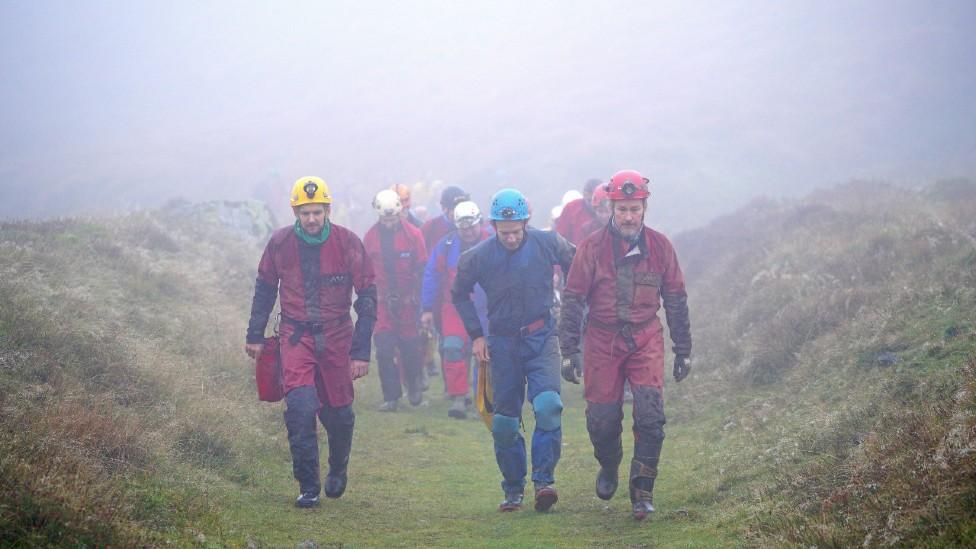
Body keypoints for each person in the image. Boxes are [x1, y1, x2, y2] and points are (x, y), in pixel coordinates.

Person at [557, 169, 692, 521]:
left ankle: (642, 490)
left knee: (650, 416)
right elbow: (572, 299)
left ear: (644, 207)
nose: (629, 217)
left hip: (646, 337)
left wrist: (684, 349)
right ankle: (609, 463)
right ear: (611, 209)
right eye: (622, 210)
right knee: (601, 420)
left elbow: (675, 298)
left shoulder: (661, 247)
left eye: (634, 209)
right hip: (601, 340)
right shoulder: (591, 248)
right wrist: (569, 351)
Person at [245, 176, 377, 508]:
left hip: (337, 336)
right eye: (305, 213)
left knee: (340, 416)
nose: (312, 219)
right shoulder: (279, 243)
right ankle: (308, 486)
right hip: (295, 336)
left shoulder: (349, 243)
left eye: (317, 212)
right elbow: (264, 289)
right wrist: (254, 335)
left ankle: (337, 467)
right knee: (301, 409)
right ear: (296, 213)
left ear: (328, 210)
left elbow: (368, 297)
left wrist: (361, 351)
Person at [452, 188, 575, 513]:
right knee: (505, 423)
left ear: (526, 223)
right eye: (504, 232)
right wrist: (476, 336)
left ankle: (544, 481)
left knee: (548, 406)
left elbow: (578, 264)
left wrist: (571, 305)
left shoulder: (548, 243)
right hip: (501, 345)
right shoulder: (478, 256)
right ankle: (513, 487)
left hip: (542, 337)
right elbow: (459, 293)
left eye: (516, 231)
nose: (510, 238)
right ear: (493, 226)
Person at [421, 201, 491, 419]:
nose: (469, 232)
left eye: (472, 227)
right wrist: (426, 308)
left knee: (486, 355)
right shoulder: (447, 245)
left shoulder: (493, 242)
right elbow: (432, 274)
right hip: (454, 307)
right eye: (464, 228)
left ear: (480, 222)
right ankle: (459, 397)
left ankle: (484, 399)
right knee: (452, 348)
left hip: (487, 308)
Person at [363, 189, 428, 411]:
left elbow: (422, 268)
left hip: (407, 301)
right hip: (381, 302)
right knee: (384, 348)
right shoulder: (370, 238)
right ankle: (391, 396)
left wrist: (420, 299)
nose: (389, 222)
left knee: (410, 346)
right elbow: (364, 272)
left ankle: (414, 382)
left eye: (393, 217)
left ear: (400, 213)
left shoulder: (413, 234)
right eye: (385, 218)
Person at [421, 185, 471, 380]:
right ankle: (452, 383)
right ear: (444, 208)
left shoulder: (473, 227)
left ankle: (462, 386)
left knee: (461, 341)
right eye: (454, 209)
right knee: (446, 339)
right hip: (438, 295)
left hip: (463, 294)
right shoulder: (430, 228)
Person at [554, 178, 603, 245]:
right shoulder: (571, 208)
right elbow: (560, 237)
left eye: (596, 201)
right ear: (584, 194)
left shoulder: (611, 208)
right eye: (589, 200)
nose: (592, 204)